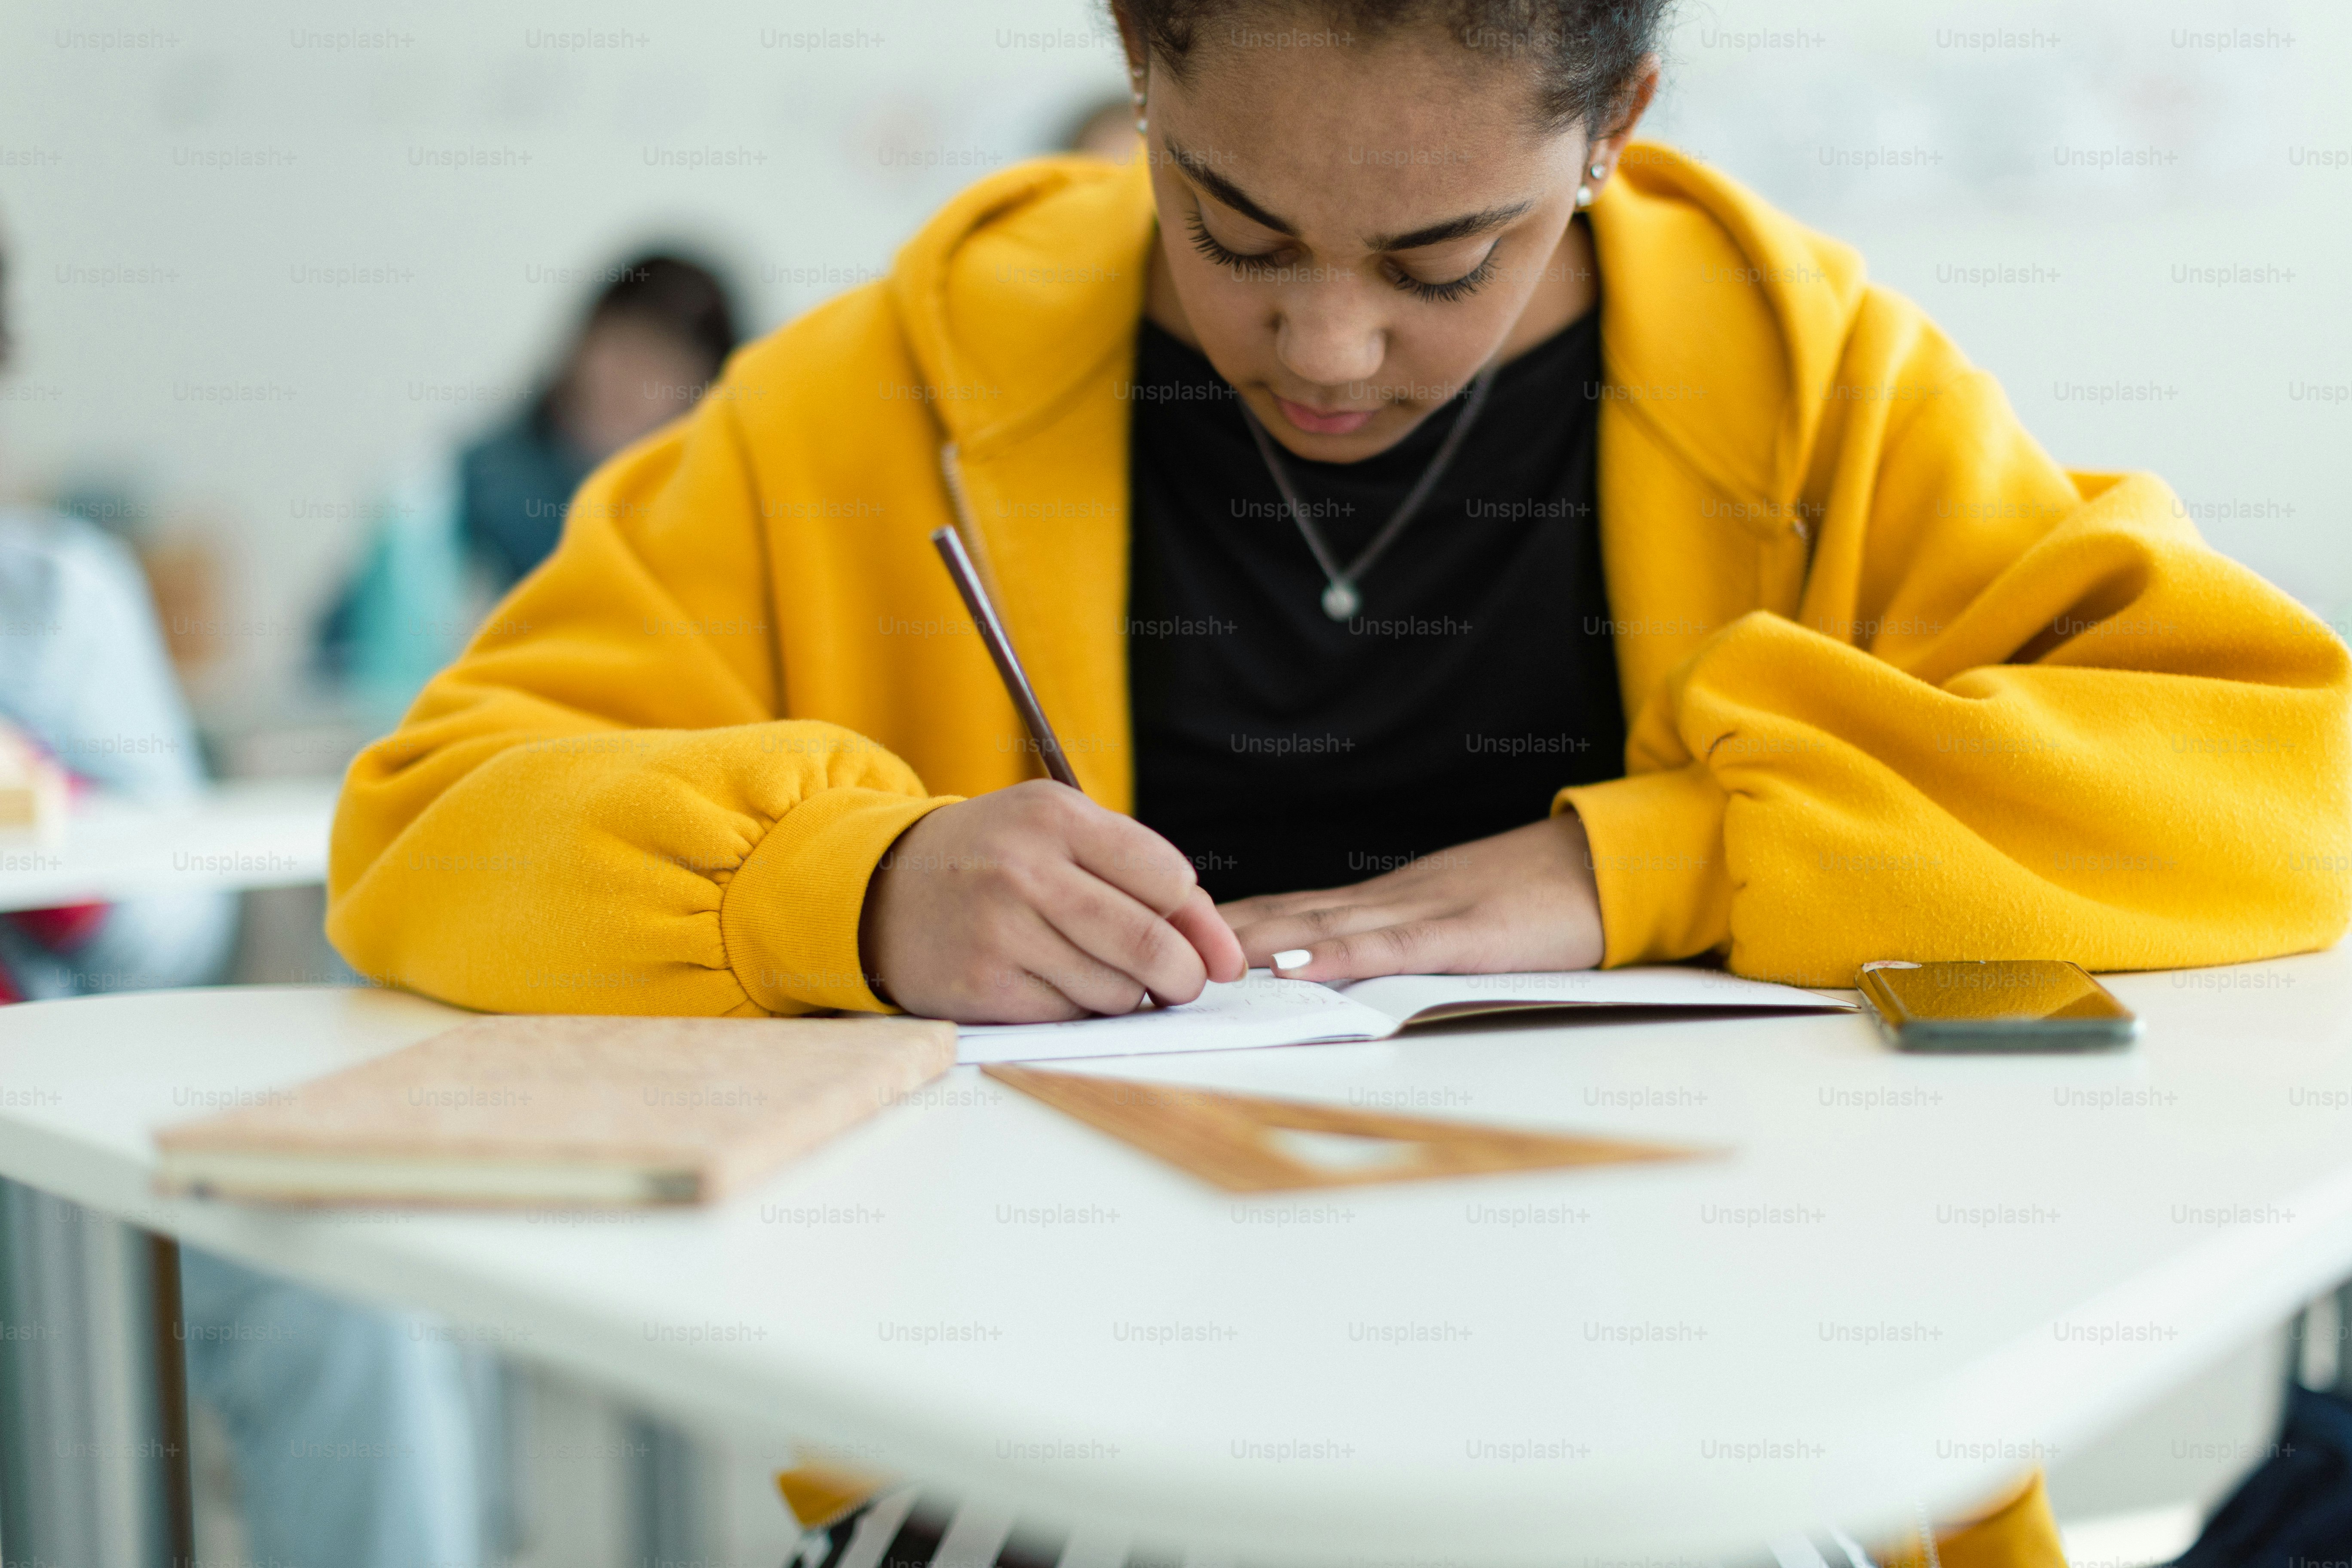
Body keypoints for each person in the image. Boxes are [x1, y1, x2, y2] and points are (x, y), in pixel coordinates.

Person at [325, 0, 2349, 1559]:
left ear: (1612, 125)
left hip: (1709, 1424)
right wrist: (847, 878)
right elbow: (429, 815)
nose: (1326, 342)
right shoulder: (870, 399)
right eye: (1232, 224)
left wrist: (1656, 857)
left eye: (1439, 257)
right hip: (1043, 1435)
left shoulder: (1813, 395)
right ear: (1133, 64)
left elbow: (2283, 769)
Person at [0, 226, 487, 1568]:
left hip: (55, 1141)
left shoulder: (52, 594)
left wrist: (48, 820)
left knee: (348, 1297)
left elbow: (174, 919)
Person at [318, 252, 740, 727]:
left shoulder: (722, 522)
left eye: (663, 369)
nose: (628, 385)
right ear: (579, 349)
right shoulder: (454, 489)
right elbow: (343, 662)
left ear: (704, 394)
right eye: (620, 352)